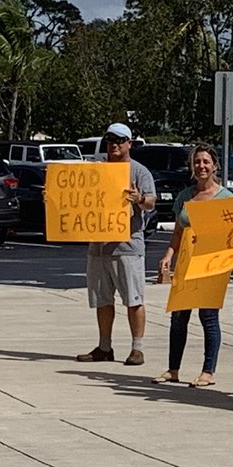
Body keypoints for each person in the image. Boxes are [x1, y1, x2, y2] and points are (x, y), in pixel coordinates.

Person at [76, 122, 157, 366]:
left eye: (120, 140)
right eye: (110, 140)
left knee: (133, 299)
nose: (114, 144)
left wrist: (139, 198)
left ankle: (137, 348)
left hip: (127, 246)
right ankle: (104, 346)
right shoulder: (96, 170)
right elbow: (78, 198)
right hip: (98, 247)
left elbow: (152, 201)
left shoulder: (139, 172)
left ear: (129, 143)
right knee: (102, 300)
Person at [153, 145, 233, 387]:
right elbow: (178, 232)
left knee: (208, 317)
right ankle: (173, 369)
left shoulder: (225, 198)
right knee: (179, 317)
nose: (201, 166)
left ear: (215, 166)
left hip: (212, 265)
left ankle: (208, 372)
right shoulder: (185, 197)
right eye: (197, 162)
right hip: (186, 264)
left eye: (206, 162)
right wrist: (169, 255)